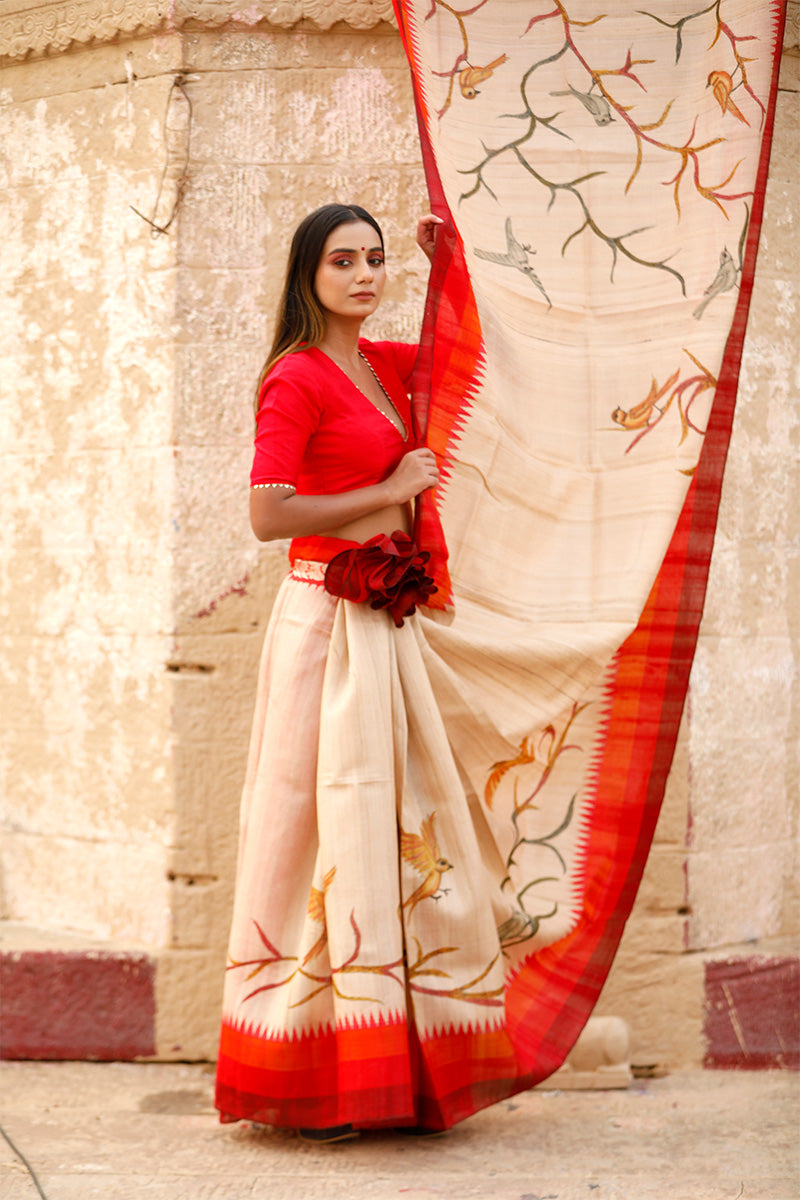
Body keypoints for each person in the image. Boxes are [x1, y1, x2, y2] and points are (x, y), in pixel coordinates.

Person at [215, 203, 474, 1141]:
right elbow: (267, 513)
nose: (365, 274)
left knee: (392, 834)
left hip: (387, 625)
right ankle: (307, 1073)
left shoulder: (383, 365)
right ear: (307, 276)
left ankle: (387, 1071)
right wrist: (389, 492)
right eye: (343, 261)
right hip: (324, 623)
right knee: (315, 836)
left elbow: (466, 357)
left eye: (374, 259)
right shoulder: (297, 378)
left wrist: (444, 264)